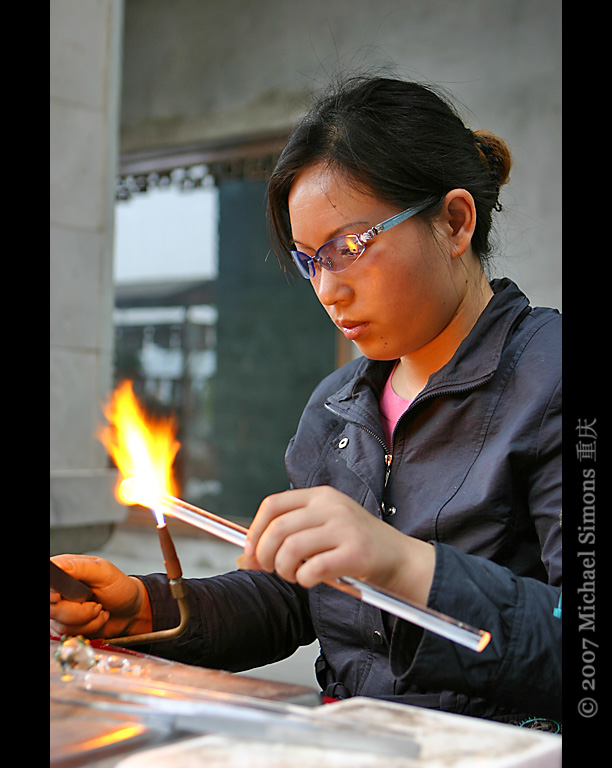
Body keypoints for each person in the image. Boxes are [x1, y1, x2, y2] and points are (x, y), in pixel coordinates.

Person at [51, 75, 561, 727]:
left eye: (349, 247)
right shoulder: (339, 405)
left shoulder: (548, 379)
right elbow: (293, 599)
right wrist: (144, 607)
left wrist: (407, 565)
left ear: (455, 221)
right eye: (309, 260)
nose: (327, 290)